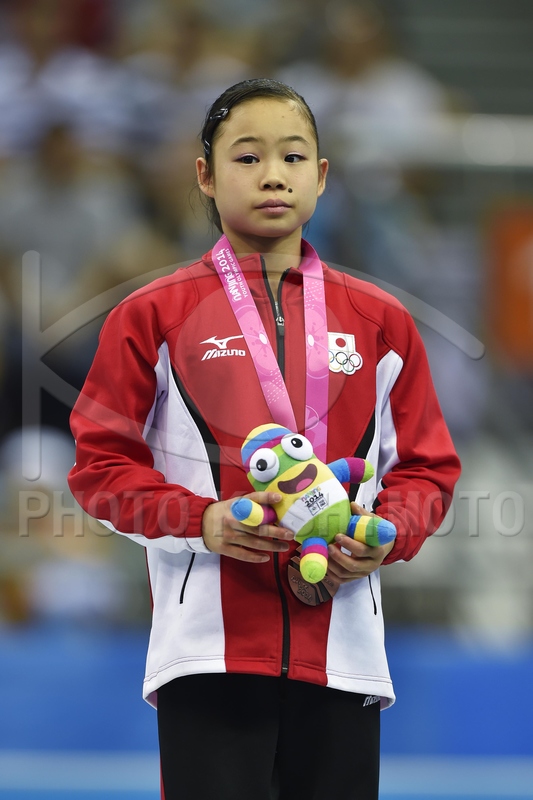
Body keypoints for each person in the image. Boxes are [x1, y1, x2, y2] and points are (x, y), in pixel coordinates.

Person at [67, 78, 460, 800]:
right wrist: (201, 521)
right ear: (206, 176)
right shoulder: (152, 315)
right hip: (207, 655)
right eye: (247, 157)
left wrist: (386, 535)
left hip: (344, 652)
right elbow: (99, 468)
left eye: (292, 156)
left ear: (321, 175)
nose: (273, 174)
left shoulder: (381, 322)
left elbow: (427, 470)